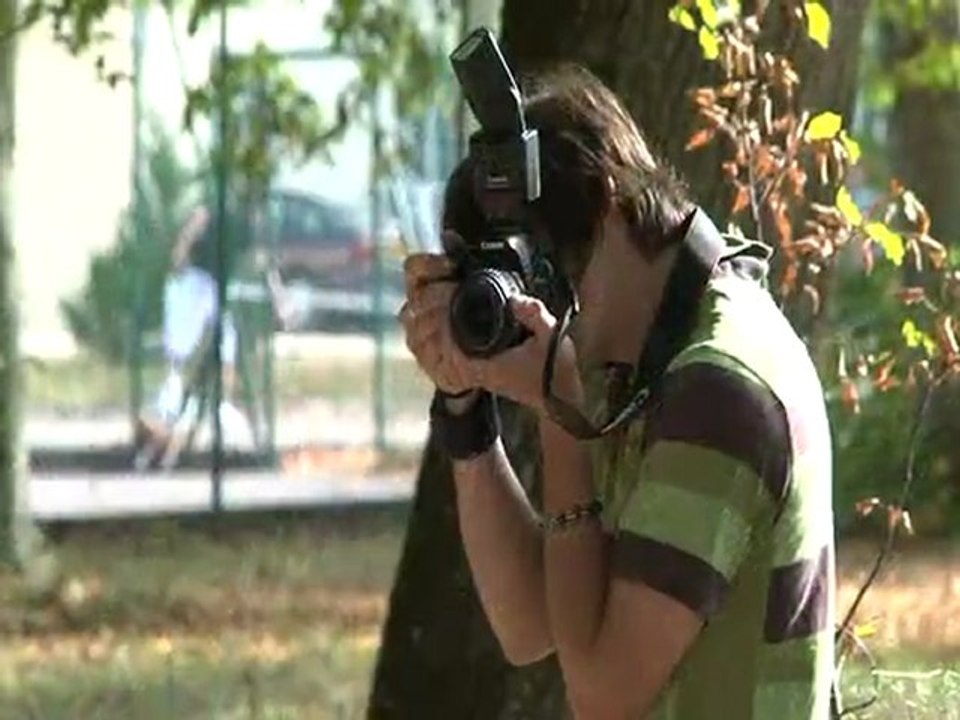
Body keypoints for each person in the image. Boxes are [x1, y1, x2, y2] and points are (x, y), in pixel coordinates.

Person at [399, 64, 835, 720]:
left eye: (539, 266)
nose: (532, 301)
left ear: (607, 201)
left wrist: (558, 412)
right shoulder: (644, 357)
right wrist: (465, 411)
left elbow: (603, 695)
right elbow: (530, 623)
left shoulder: (718, 387)